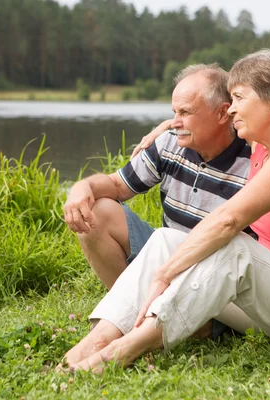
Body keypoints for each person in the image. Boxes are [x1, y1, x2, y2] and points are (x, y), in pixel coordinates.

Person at [61, 49, 270, 374]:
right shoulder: (264, 146)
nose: (233, 106)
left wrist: (165, 275)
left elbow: (229, 219)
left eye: (239, 97)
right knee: (167, 239)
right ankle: (93, 344)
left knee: (235, 246)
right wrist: (169, 125)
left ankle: (124, 350)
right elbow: (209, 120)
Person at [63, 64, 251, 293]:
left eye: (185, 112)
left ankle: (195, 321)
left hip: (214, 276)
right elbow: (116, 185)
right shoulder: (169, 142)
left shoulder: (256, 159)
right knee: (97, 211)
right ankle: (129, 305)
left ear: (223, 113)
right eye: (174, 112)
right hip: (166, 255)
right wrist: (82, 188)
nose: (175, 122)